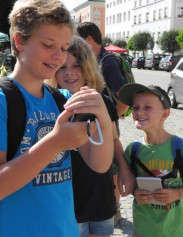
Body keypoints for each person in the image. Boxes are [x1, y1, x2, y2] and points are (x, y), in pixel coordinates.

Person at [0, 1, 114, 236]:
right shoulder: (3, 100)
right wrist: (54, 143)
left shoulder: (61, 99)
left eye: (63, 48)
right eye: (48, 45)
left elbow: (99, 164)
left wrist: (102, 118)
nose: (58, 56)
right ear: (20, 41)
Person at [46, 35, 134, 237]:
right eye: (61, 67)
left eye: (77, 66)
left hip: (100, 196)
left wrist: (124, 168)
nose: (69, 73)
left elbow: (113, 139)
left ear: (88, 68)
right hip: (68, 202)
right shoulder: (49, 104)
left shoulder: (102, 100)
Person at [118, 83, 183, 237]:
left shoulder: (182, 149)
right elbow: (131, 186)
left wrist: (178, 194)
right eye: (135, 107)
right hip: (143, 229)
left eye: (147, 107)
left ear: (165, 114)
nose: (139, 111)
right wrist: (136, 192)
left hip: (178, 230)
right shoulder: (133, 150)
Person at [77, 22, 129, 222]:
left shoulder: (107, 61)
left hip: (105, 119)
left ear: (89, 39)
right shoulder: (97, 59)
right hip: (97, 119)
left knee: (112, 168)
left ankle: (114, 212)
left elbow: (123, 96)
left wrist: (109, 117)